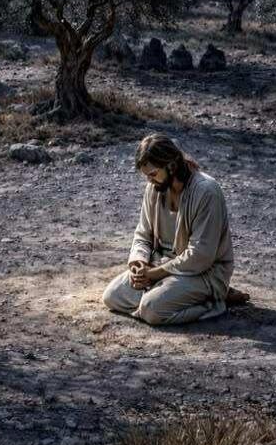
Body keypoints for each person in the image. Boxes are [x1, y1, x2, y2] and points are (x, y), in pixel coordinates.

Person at [103, 133, 243, 326]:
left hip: (202, 272)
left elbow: (200, 255)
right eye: (146, 176)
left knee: (151, 311)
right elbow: (143, 234)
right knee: (112, 297)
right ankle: (167, 297)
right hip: (160, 264)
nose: (149, 181)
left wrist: (154, 274)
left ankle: (214, 300)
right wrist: (139, 264)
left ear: (172, 165)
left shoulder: (206, 191)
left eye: (153, 174)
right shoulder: (154, 188)